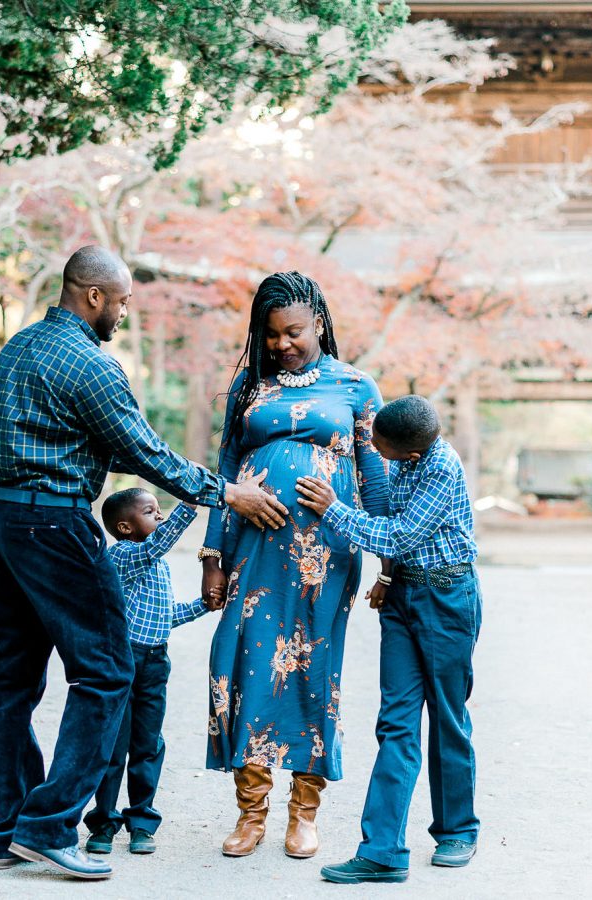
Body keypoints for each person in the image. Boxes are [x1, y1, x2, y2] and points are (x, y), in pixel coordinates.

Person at [0, 245, 288, 881]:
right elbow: (146, 453)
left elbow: (71, 440)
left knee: (12, 681)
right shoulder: (92, 365)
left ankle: (8, 829)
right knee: (109, 670)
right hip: (51, 524)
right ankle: (50, 825)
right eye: (120, 301)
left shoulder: (20, 348)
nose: (123, 311)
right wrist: (228, 493)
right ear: (92, 296)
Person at [200, 272, 390, 860]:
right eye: (271, 335)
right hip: (254, 553)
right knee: (244, 664)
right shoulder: (249, 387)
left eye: (294, 332)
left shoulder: (356, 387)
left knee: (313, 669)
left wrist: (389, 562)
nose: (283, 345)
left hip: (325, 555)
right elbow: (227, 467)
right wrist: (213, 555)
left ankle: (303, 813)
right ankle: (250, 813)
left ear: (320, 324)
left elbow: (375, 476)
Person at [295, 394, 482, 885]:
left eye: (380, 446)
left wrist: (333, 510)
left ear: (411, 454)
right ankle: (382, 851)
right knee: (395, 721)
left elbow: (398, 534)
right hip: (404, 597)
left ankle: (457, 831)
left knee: (447, 718)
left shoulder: (439, 468)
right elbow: (397, 537)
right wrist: (389, 578)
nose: (373, 450)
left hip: (446, 598)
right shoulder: (404, 450)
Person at [82, 488, 218, 856]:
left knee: (148, 743)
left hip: (156, 661)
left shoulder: (156, 564)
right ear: (125, 527)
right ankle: (104, 823)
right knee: (114, 744)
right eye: (150, 511)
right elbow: (158, 543)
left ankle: (141, 821)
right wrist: (188, 505)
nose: (159, 516)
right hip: (123, 660)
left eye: (160, 511)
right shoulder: (124, 555)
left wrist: (204, 606)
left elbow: (165, 616)